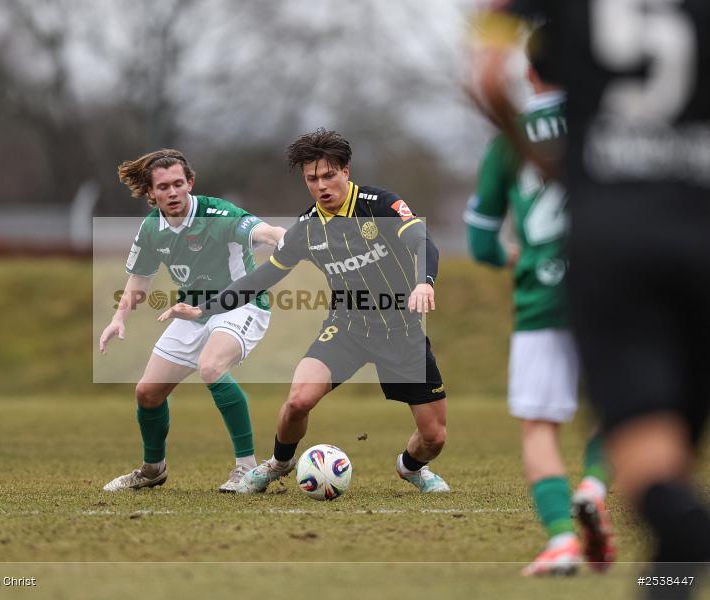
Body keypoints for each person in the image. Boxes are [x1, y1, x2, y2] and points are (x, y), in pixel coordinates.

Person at [476, 1, 710, 594]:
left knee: (636, 449)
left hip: (606, 245)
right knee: (668, 443)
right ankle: (669, 551)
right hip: (696, 231)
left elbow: (483, 74)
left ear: (534, 72)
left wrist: (544, 162)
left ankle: (655, 525)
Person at [160, 129, 450, 495]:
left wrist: (425, 282)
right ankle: (277, 464)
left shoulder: (381, 205)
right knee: (297, 401)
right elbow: (261, 277)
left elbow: (421, 241)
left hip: (400, 331)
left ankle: (410, 468)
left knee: (434, 436)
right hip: (346, 329)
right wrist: (203, 307)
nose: (321, 185)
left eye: (329, 175)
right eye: (312, 179)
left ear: (346, 171)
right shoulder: (307, 228)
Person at [466, 36, 614, 576]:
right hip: (611, 289)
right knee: (614, 409)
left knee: (540, 426)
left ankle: (560, 542)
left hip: (541, 297)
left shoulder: (508, 141)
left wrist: (525, 260)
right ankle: (594, 489)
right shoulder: (606, 123)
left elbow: (481, 244)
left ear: (529, 74)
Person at [99, 149, 286, 493]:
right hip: (193, 311)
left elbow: (262, 230)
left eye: (178, 184)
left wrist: (280, 237)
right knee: (147, 393)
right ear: (151, 193)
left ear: (190, 184)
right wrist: (118, 317)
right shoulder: (151, 228)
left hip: (240, 305)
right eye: (164, 187)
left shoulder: (217, 213)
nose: (172, 192)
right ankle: (152, 469)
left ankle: (247, 469)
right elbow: (139, 281)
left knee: (211, 367)